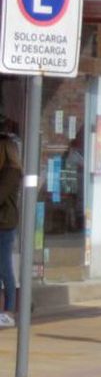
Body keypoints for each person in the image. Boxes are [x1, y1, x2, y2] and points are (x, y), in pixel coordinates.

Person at [0, 120, 20, 329]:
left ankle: (9, 310)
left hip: (5, 224)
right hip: (4, 221)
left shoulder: (11, 172)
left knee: (4, 266)